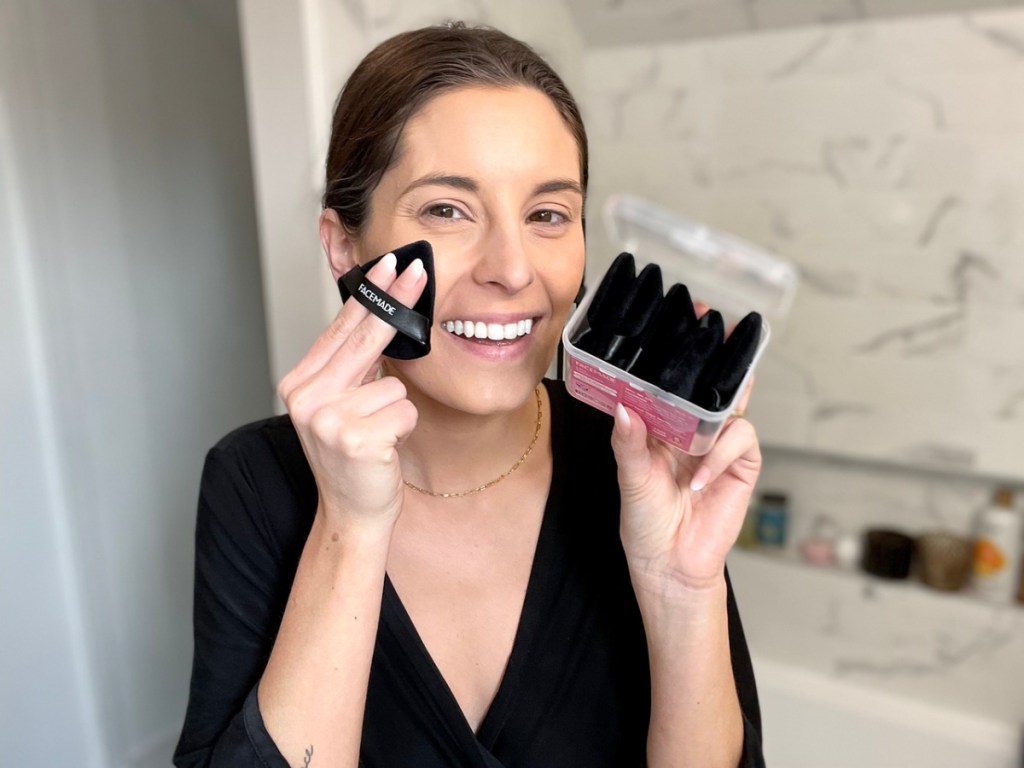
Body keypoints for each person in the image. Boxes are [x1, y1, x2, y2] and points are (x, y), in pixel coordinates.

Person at [174, 22, 764, 768]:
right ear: (344, 245)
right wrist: (350, 528)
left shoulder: (643, 461)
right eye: (447, 210)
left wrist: (682, 588)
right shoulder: (255, 482)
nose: (513, 269)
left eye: (548, 214)